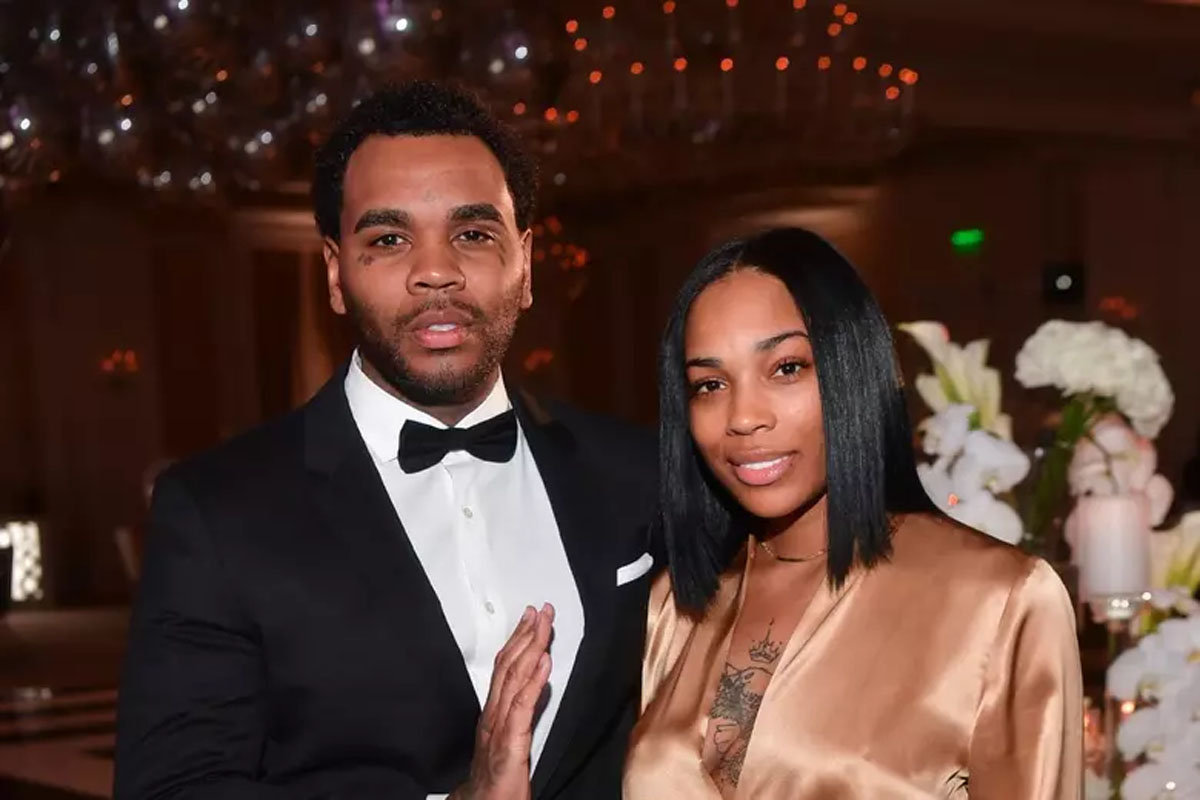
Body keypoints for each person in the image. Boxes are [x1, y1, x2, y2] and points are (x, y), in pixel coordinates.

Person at [115, 81, 657, 800]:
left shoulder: (636, 475)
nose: (436, 272)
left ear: (524, 264)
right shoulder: (216, 513)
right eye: (389, 240)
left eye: (473, 234)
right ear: (336, 275)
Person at [624, 228, 1082, 798]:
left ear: (853, 369)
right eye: (711, 384)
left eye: (786, 368)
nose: (743, 417)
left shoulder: (1000, 602)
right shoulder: (674, 607)